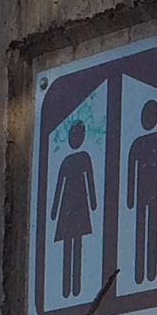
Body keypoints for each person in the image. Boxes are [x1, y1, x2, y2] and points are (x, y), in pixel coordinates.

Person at [123, 98, 157, 290]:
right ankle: (138, 275)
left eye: (151, 116)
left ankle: (151, 273)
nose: (148, 120)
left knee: (152, 229)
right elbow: (130, 171)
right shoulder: (136, 144)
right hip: (140, 195)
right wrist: (129, 198)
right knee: (140, 230)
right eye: (146, 116)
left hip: (154, 193)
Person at [48, 114, 98, 299]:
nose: (75, 139)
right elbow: (59, 185)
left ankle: (77, 288)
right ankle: (66, 290)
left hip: (80, 206)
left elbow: (90, 181)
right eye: (73, 136)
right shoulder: (66, 161)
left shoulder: (85, 157)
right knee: (68, 246)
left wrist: (93, 203)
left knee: (78, 246)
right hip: (67, 208)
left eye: (78, 136)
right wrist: (53, 212)